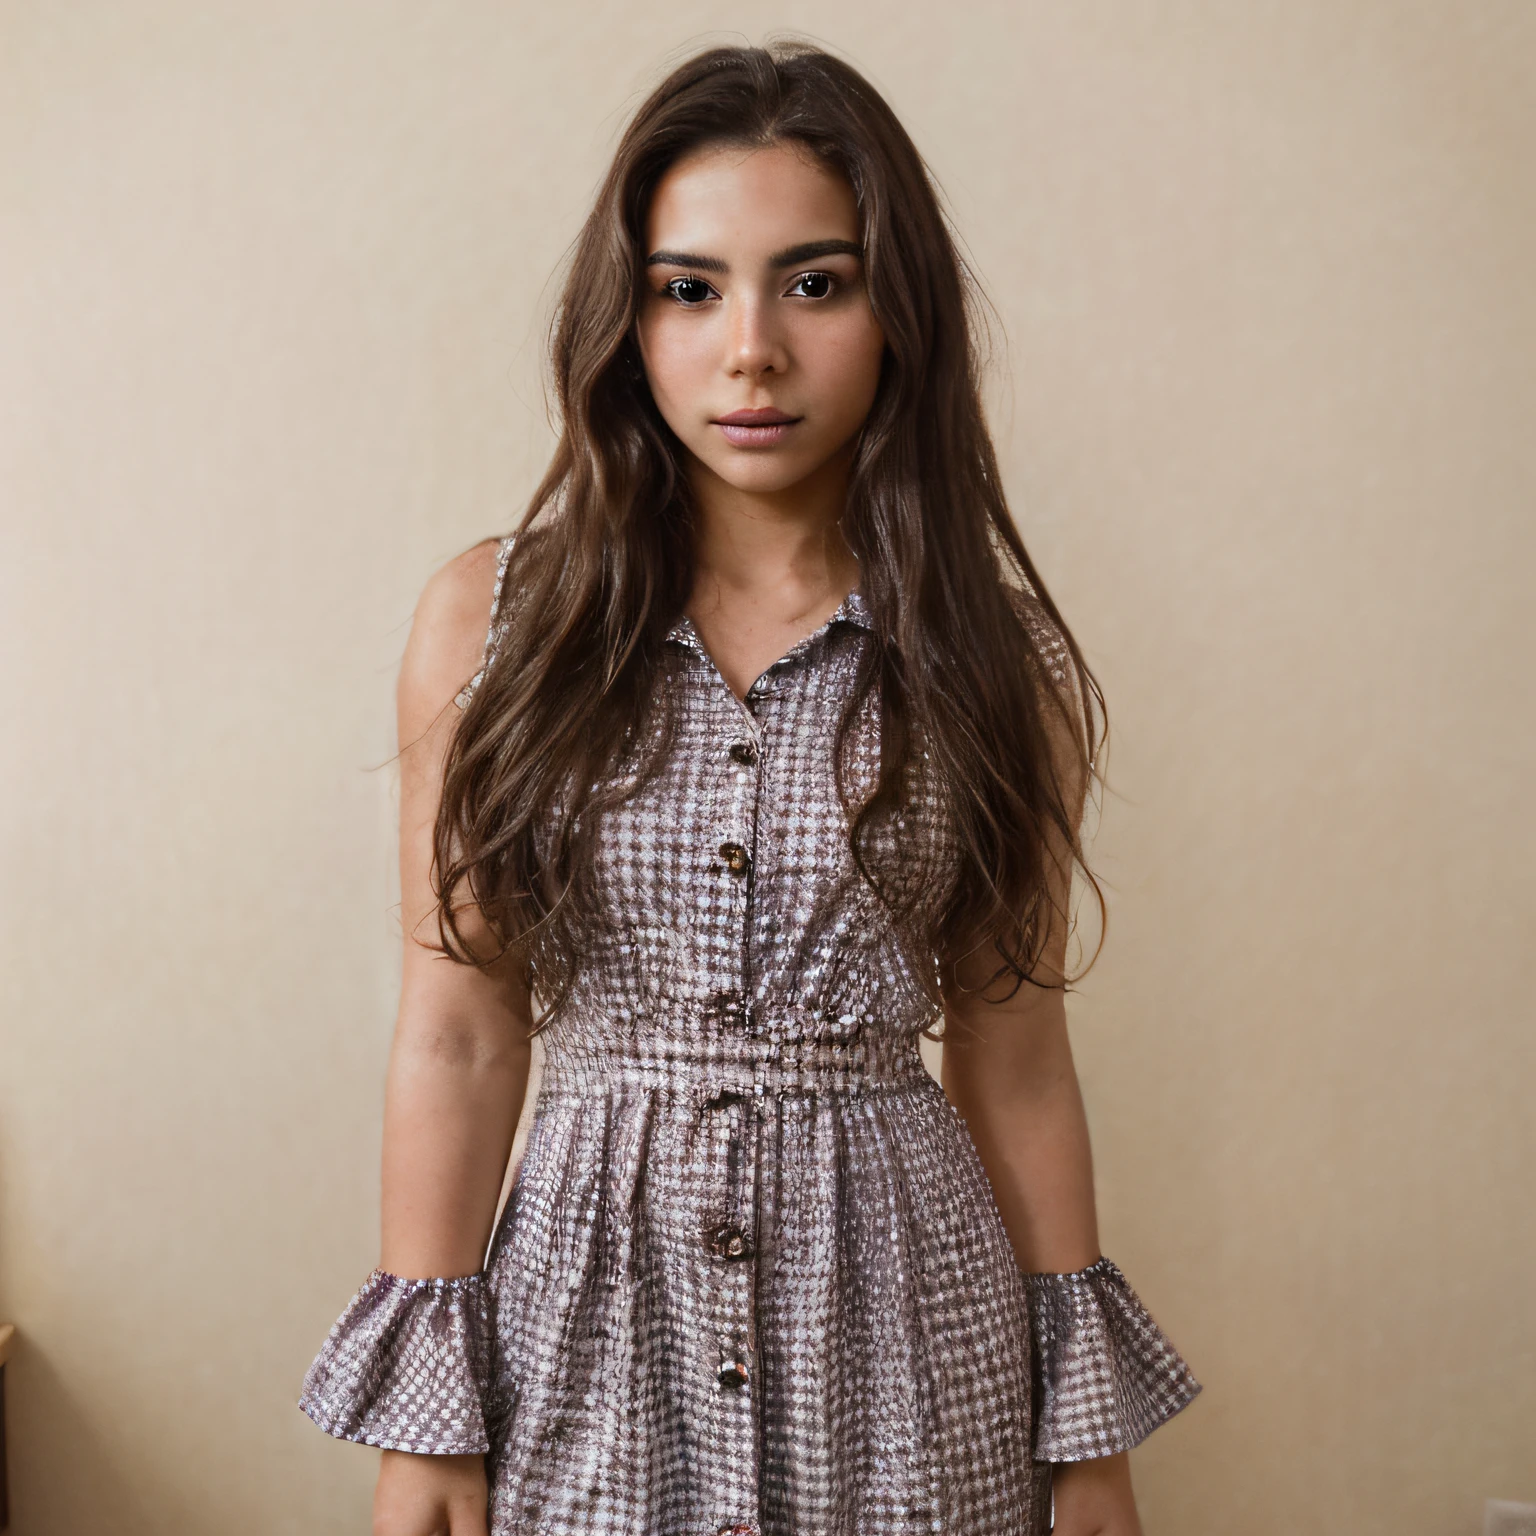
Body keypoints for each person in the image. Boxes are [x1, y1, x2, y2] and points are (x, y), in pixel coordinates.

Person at [299, 39, 1200, 1536]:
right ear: (628, 318)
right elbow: (458, 1034)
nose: (752, 351)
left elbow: (1016, 1048)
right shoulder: (493, 624)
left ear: (896, 308)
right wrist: (424, 1423)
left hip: (910, 1331)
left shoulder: (992, 652)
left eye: (818, 282)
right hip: (583, 1319)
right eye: (691, 287)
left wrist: (1085, 1440)